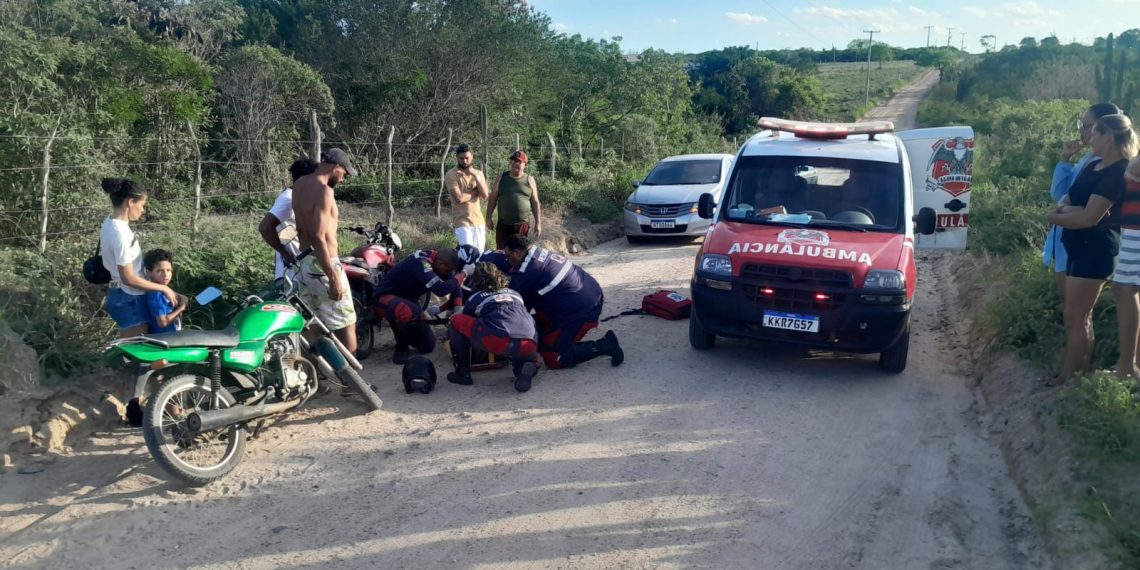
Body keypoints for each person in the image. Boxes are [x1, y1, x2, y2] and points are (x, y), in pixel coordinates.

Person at [1047, 114, 1138, 385]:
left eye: (1095, 132)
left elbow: (1089, 218)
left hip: (1096, 249)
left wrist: (1055, 218)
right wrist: (1068, 213)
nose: (1089, 137)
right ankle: (1072, 373)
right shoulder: (1093, 166)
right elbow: (1068, 202)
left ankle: (1074, 378)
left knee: (1077, 316)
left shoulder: (1118, 172)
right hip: (1077, 245)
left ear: (1108, 136)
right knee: (1073, 316)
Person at [502, 234, 623, 369]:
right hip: (588, 294)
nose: (507, 261)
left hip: (582, 310)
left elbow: (515, 312)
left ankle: (605, 345)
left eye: (508, 256)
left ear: (518, 253)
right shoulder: (537, 252)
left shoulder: (526, 273)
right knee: (537, 326)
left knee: (554, 357)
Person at [1043, 103, 1123, 302]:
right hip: (1066, 235)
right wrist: (1065, 159)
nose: (1081, 130)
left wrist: (1061, 211)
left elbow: (1086, 210)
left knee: (1077, 311)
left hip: (1086, 242)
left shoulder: (1107, 166)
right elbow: (1059, 194)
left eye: (1087, 126)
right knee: (1070, 308)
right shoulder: (1086, 160)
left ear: (1106, 130)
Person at [292, 148, 359, 355]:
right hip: (322, 263)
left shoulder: (299, 184)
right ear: (335, 167)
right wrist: (333, 276)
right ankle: (351, 385)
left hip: (302, 263)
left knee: (312, 323)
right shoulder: (324, 191)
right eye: (344, 173)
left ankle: (315, 378)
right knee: (347, 322)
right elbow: (318, 236)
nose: (344, 179)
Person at [99, 178, 181, 338]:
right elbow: (129, 278)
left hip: (121, 292)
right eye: (142, 205)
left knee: (136, 348)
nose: (142, 210)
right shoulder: (120, 234)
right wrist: (164, 288)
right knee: (137, 351)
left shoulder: (109, 224)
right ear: (130, 202)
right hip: (129, 297)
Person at [446, 262, 541, 392]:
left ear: (475, 280)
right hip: (529, 341)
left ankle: (463, 373)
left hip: (498, 339)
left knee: (456, 321)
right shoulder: (515, 293)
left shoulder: (476, 297)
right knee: (520, 341)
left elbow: (466, 320)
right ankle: (524, 368)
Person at [374, 247, 466, 364]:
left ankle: (407, 333)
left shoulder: (439, 263)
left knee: (428, 346)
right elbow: (440, 289)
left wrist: (458, 307)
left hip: (408, 300)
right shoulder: (422, 262)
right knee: (408, 311)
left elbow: (454, 285)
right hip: (384, 298)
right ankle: (401, 347)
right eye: (447, 270)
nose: (448, 274)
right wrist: (464, 274)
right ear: (440, 264)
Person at [259, 158, 318, 278]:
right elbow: (265, 228)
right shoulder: (288, 199)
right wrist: (285, 254)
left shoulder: (299, 197)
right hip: (292, 271)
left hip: (303, 266)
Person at [1112, 154, 1140, 378]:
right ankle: (1133, 364)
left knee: (1125, 288)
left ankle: (1126, 367)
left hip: (1137, 229)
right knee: (1128, 289)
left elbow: (1134, 170)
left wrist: (1130, 170)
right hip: (1132, 226)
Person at [486, 150, 542, 249]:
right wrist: (488, 217)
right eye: (513, 161)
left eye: (519, 161)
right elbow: (493, 198)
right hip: (504, 225)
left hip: (521, 225)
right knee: (502, 252)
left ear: (525, 165)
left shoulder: (529, 179)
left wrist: (538, 223)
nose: (515, 163)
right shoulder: (501, 177)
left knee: (519, 253)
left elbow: (535, 202)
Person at [445, 143, 490, 254]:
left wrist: (475, 175)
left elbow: (485, 196)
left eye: (467, 158)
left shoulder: (479, 173)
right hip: (461, 221)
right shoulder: (451, 174)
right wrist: (476, 191)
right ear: (457, 157)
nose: (464, 161)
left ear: (472, 157)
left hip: (478, 221)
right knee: (468, 254)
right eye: (461, 158)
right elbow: (459, 198)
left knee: (479, 254)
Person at [142, 249, 188, 334]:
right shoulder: (155, 294)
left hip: (171, 337)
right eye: (160, 271)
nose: (166, 275)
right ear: (149, 272)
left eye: (168, 270)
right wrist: (181, 308)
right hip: (163, 340)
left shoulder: (164, 291)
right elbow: (163, 322)